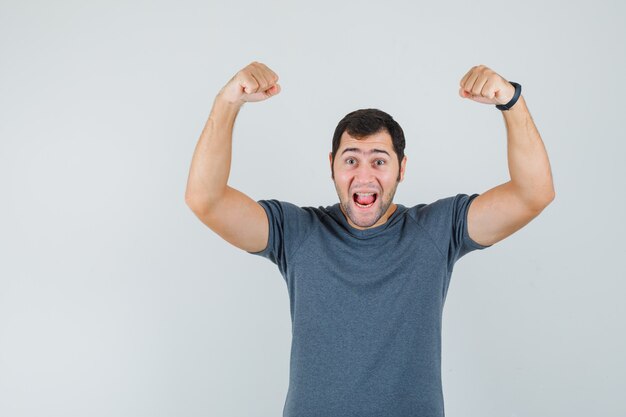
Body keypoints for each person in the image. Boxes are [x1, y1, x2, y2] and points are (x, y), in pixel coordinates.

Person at [184, 61, 555, 417]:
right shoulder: (296, 232)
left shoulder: (438, 230)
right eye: (351, 160)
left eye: (379, 160)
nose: (364, 175)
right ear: (331, 165)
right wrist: (228, 102)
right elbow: (206, 199)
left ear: (401, 169)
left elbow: (533, 194)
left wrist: (511, 101)